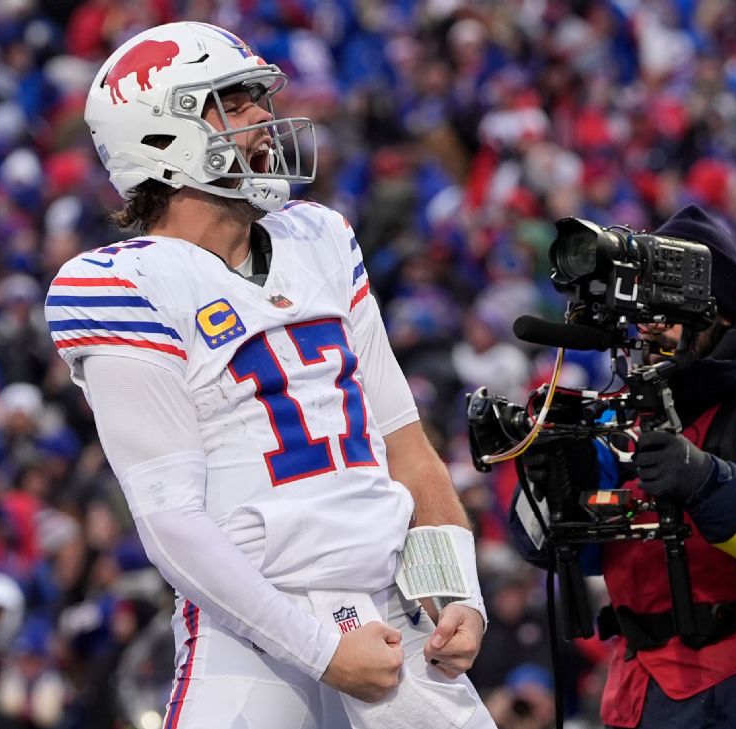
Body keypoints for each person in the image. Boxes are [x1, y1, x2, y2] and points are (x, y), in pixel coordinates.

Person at [45, 21, 494, 728]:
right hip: (252, 633)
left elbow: (406, 447)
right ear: (160, 135)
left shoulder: (319, 237)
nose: (263, 116)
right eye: (233, 102)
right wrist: (322, 650)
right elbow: (170, 521)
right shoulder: (123, 286)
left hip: (393, 611)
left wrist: (458, 591)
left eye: (258, 98)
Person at [509, 204, 736, 728]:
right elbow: (552, 551)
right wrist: (550, 479)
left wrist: (706, 481)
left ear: (719, 314)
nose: (651, 327)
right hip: (648, 694)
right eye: (645, 312)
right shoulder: (617, 415)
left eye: (667, 311)